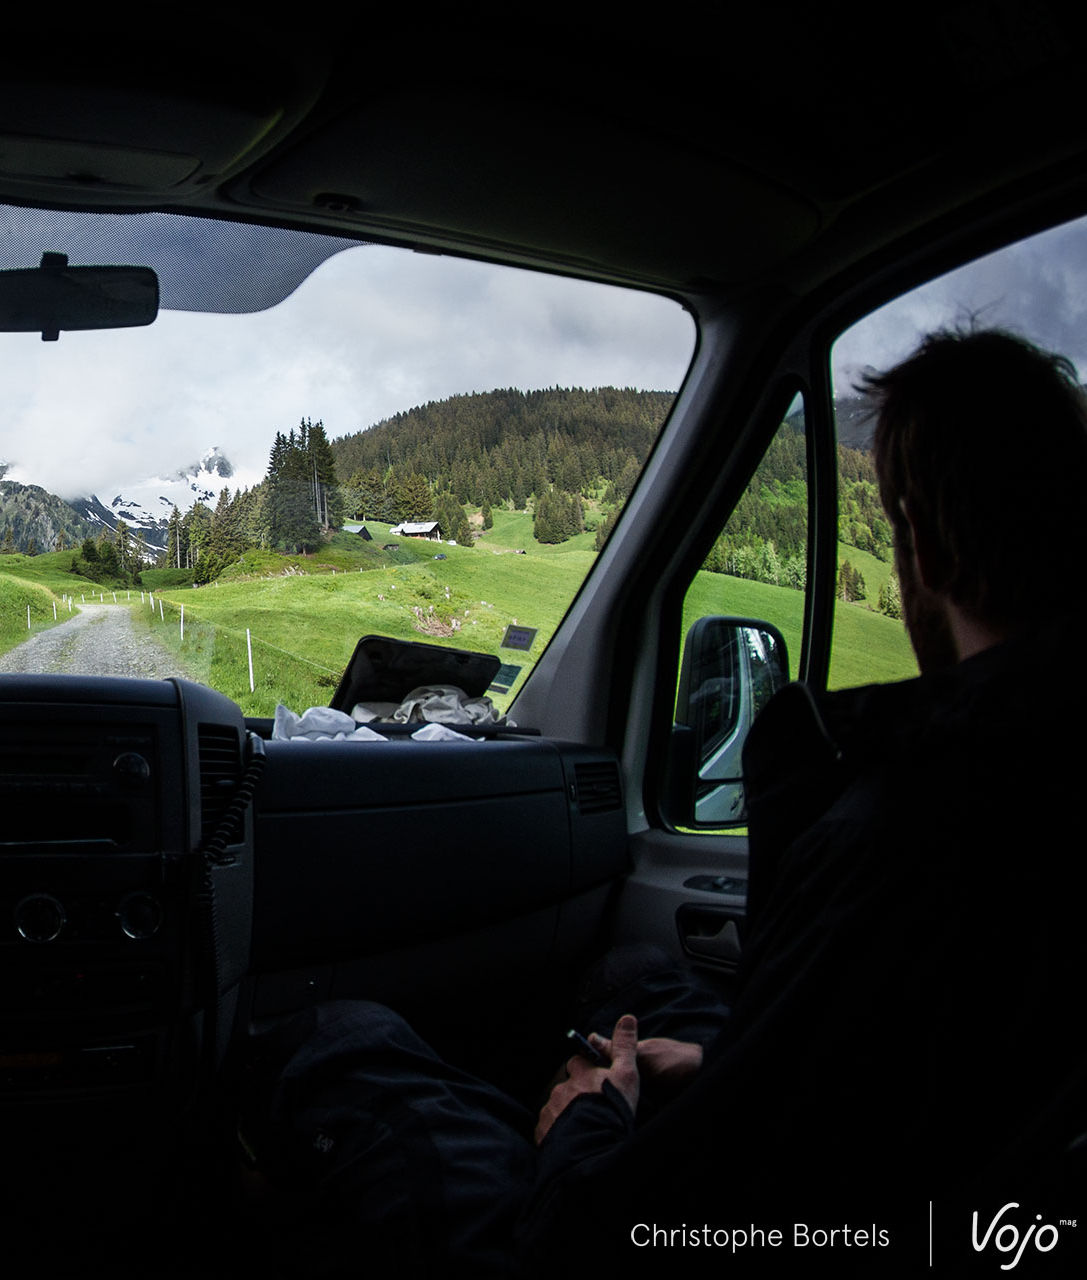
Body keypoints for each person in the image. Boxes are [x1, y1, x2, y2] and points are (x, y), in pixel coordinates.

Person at [238, 328, 1087, 1274]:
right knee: (633, 977)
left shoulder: (920, 823)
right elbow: (881, 1087)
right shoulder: (1030, 788)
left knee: (341, 1039)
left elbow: (614, 1234)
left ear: (923, 538)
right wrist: (728, 1071)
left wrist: (583, 1127)